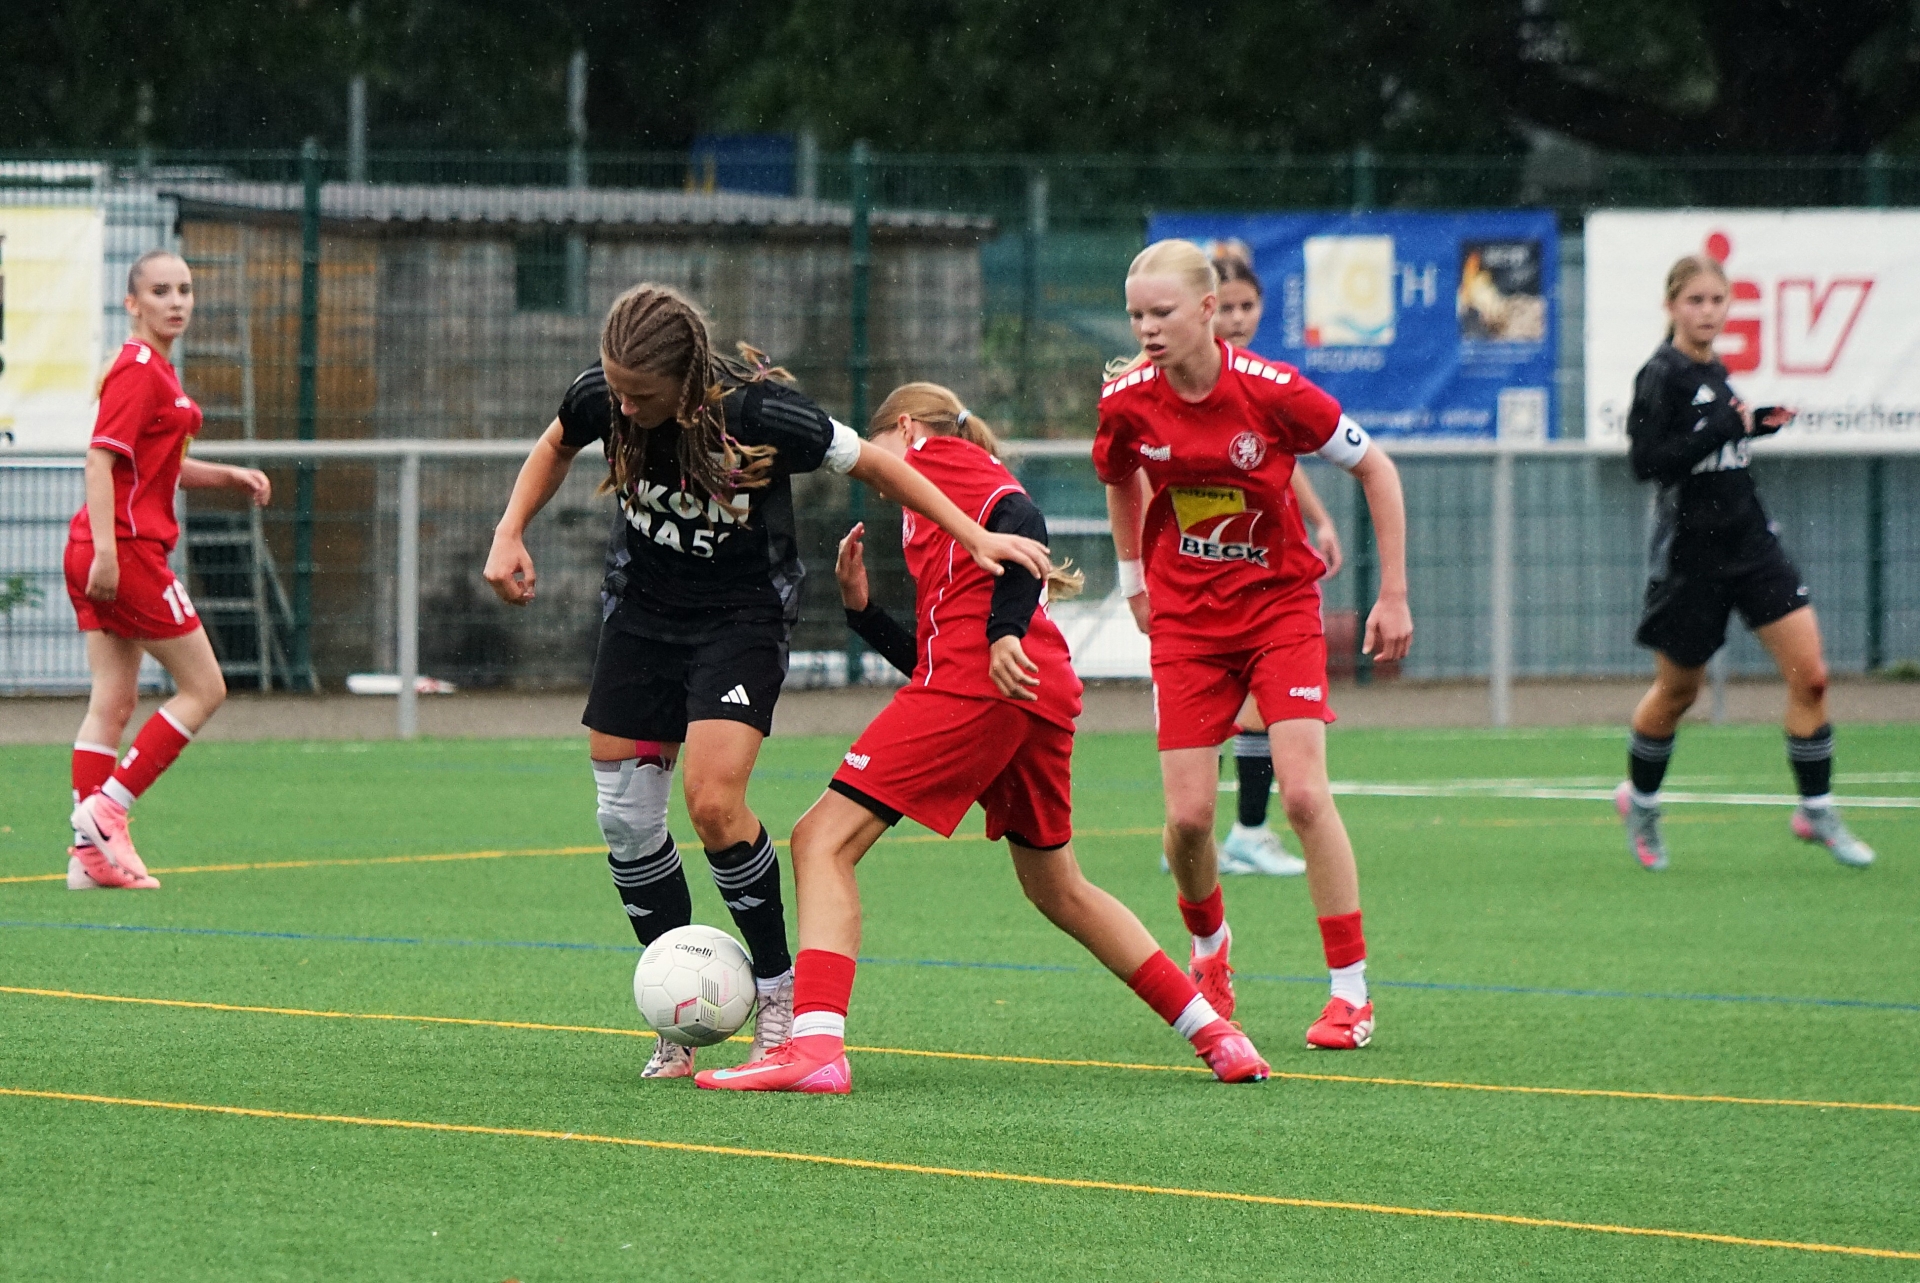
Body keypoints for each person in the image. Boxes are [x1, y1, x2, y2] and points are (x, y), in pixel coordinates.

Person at [484, 286, 1051, 1080]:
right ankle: (677, 1007)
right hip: (641, 614)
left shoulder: (762, 414)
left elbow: (878, 464)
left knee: (713, 802)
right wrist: (510, 531)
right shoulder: (602, 397)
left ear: (683, 381)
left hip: (741, 618)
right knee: (624, 818)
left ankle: (778, 993)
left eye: (638, 394)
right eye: (614, 389)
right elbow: (556, 442)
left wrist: (972, 532)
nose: (622, 405)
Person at [695, 383, 1270, 1093]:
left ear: (908, 427)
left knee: (821, 839)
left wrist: (1003, 633)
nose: (876, 469)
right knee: (1058, 887)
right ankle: (1216, 1033)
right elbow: (935, 657)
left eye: (880, 443)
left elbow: (1022, 517)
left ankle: (814, 1047)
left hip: (990, 678)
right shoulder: (931, 516)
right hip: (1030, 688)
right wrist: (865, 613)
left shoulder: (938, 456)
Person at [1098, 239, 1413, 1050]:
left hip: (1278, 611)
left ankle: (1350, 993)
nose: (1147, 328)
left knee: (1303, 795)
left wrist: (1393, 594)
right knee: (1188, 819)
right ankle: (1210, 951)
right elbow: (1119, 477)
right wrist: (1133, 580)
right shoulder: (1128, 399)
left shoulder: (1274, 391)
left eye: (1162, 312)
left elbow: (1377, 468)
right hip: (1186, 623)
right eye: (1136, 315)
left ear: (1208, 310)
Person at [1617, 254, 1873, 871]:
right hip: (1691, 558)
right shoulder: (1660, 374)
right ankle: (1642, 805)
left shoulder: (1717, 370)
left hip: (1752, 546)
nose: (1707, 312)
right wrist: (1719, 429)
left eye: (1716, 300)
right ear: (1672, 306)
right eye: (1695, 301)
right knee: (1678, 692)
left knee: (1812, 677)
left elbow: (1716, 440)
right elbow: (1648, 462)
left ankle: (1816, 810)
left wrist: (1753, 426)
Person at [65, 250, 273, 889]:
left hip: (103, 546)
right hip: (124, 550)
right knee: (206, 688)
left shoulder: (155, 370)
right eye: (160, 291)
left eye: (184, 289)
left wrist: (226, 475)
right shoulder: (139, 370)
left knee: (113, 700)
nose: (176, 301)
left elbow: (155, 464)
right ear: (132, 303)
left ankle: (89, 859)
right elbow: (100, 461)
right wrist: (109, 553)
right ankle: (107, 811)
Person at [1202, 243, 1344, 878]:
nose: (1237, 319)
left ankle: (1236, 833)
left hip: (1258, 557)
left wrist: (1318, 519)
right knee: (1220, 703)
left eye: (1247, 306)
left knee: (1255, 702)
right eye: (1226, 307)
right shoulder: (1185, 379)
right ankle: (1218, 833)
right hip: (1209, 564)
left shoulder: (1259, 379)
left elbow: (1276, 462)